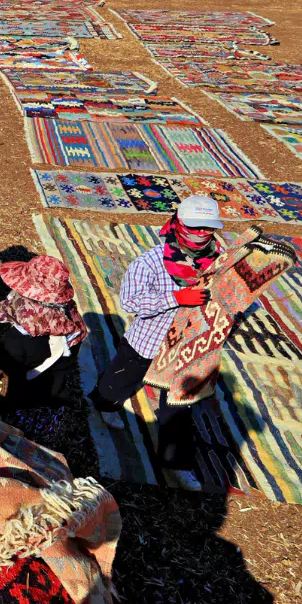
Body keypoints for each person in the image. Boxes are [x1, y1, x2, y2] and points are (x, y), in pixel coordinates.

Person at [87, 196, 225, 491]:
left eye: (208, 228)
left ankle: (176, 464)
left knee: (178, 406)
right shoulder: (150, 262)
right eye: (195, 227)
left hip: (187, 348)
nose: (202, 233)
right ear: (179, 223)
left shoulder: (219, 262)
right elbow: (129, 301)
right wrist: (176, 298)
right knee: (119, 381)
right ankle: (105, 404)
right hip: (147, 343)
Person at [0, 255, 88, 407]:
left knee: (20, 383)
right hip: (62, 359)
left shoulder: (23, 334)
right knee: (56, 378)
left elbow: (19, 364)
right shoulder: (68, 310)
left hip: (37, 368)